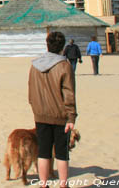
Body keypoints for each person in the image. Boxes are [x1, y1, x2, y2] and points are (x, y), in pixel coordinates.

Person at [29, 31, 77, 187]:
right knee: (62, 153)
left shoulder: (35, 65)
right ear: (62, 47)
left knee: (44, 152)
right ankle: (63, 184)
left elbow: (31, 91)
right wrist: (71, 117)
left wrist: (36, 108)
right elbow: (69, 93)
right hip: (59, 115)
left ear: (47, 45)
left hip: (41, 115)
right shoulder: (64, 66)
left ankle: (43, 183)